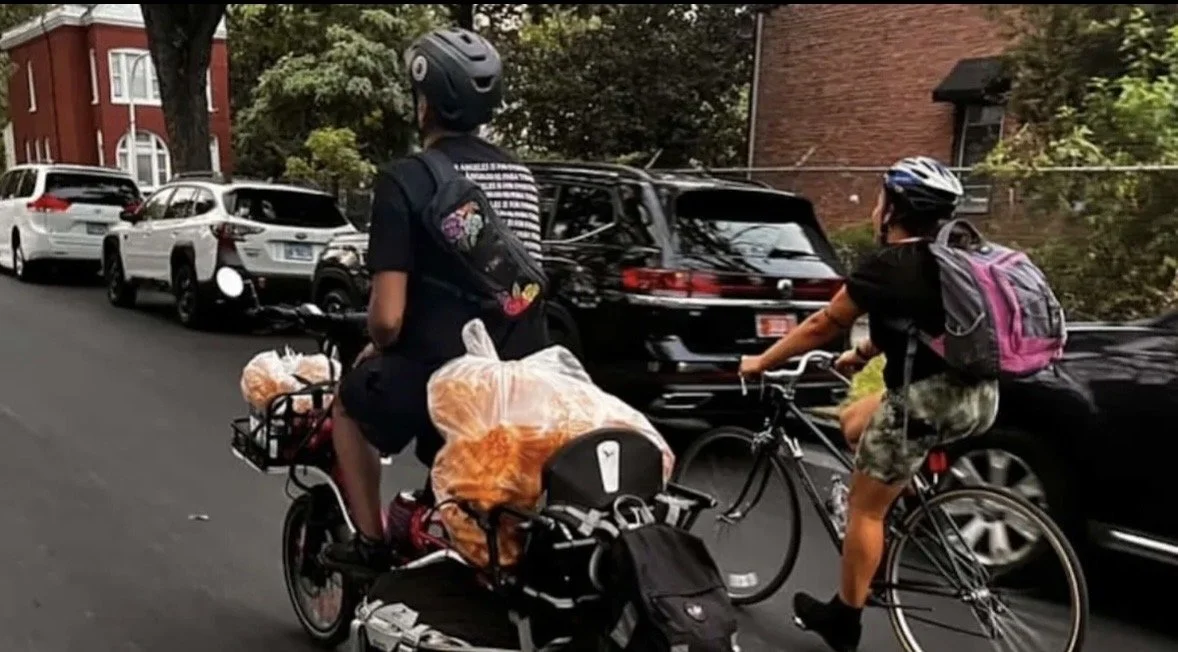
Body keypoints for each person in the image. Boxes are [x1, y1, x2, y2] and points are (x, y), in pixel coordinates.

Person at [738, 156, 999, 652]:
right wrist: (860, 355)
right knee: (853, 419)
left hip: (927, 400)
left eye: (881, 198)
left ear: (894, 208)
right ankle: (897, 512)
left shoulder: (891, 263)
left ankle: (844, 616)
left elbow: (822, 323)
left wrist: (761, 362)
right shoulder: (955, 257)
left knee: (865, 508)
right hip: (979, 396)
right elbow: (919, 321)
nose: (876, 207)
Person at [323, 26, 549, 574]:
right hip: (522, 377)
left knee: (349, 405)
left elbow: (388, 319)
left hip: (447, 377)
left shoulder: (405, 180)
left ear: (424, 103)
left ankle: (371, 544)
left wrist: (374, 347)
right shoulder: (520, 177)